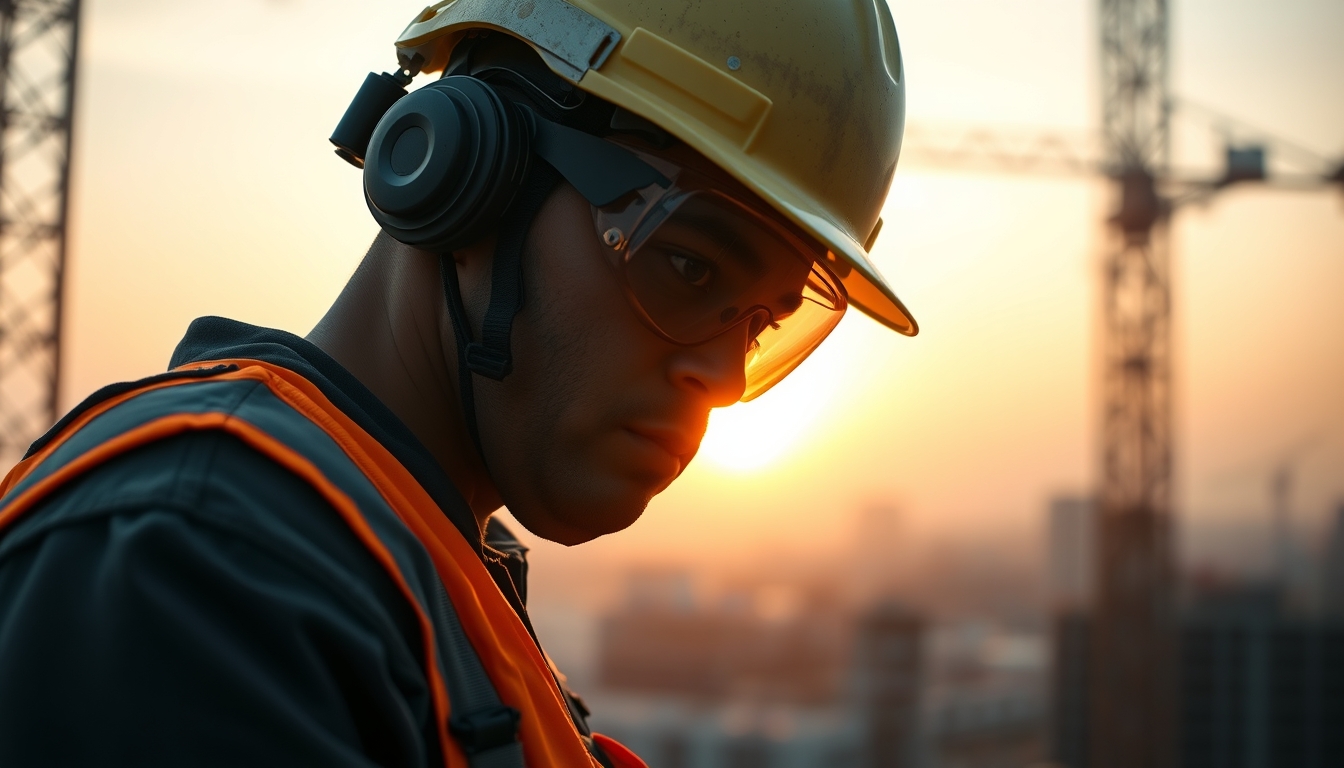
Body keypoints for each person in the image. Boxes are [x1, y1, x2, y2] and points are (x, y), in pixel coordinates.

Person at [0, 0, 916, 766]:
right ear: (461, 167)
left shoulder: (408, 566)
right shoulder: (201, 568)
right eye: (686, 265)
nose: (718, 378)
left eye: (762, 324)